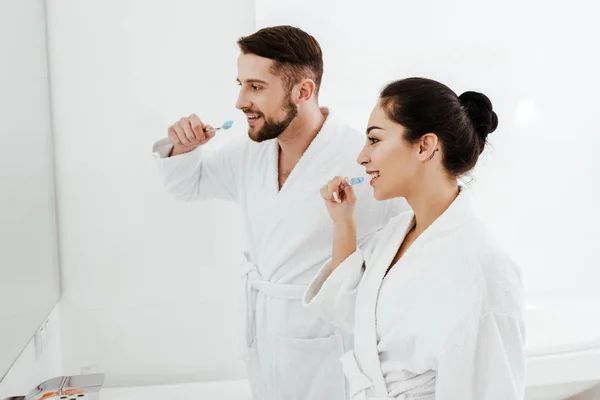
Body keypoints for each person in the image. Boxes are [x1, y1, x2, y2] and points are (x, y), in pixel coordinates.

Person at [151, 26, 406, 400]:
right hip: (265, 332)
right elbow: (187, 185)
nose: (240, 101)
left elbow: (407, 255)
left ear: (303, 91)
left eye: (255, 87)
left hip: (329, 340)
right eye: (240, 84)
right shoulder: (250, 152)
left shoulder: (362, 157)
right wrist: (181, 149)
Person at [306, 77, 526, 399]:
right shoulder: (395, 235)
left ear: (424, 146)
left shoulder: (483, 270)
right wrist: (344, 223)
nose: (361, 157)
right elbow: (356, 318)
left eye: (374, 140)